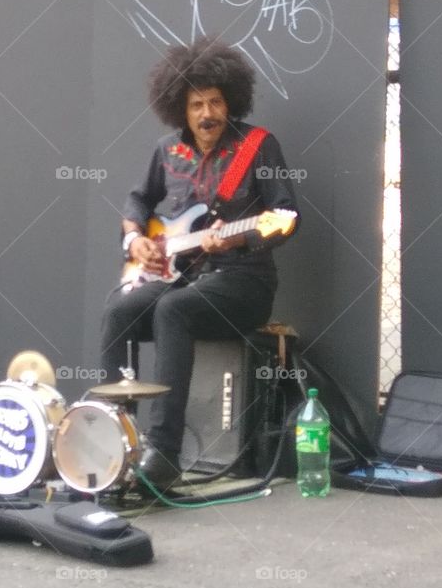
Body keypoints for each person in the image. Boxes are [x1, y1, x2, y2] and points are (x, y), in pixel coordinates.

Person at [99, 36, 299, 489]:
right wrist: (135, 243)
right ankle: (111, 436)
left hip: (244, 284)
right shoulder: (166, 151)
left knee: (173, 310)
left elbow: (287, 218)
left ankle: (164, 453)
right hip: (182, 279)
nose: (206, 114)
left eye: (214, 103)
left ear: (231, 103)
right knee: (119, 309)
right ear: (180, 109)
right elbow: (135, 203)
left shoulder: (258, 147)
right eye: (196, 105)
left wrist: (237, 239)